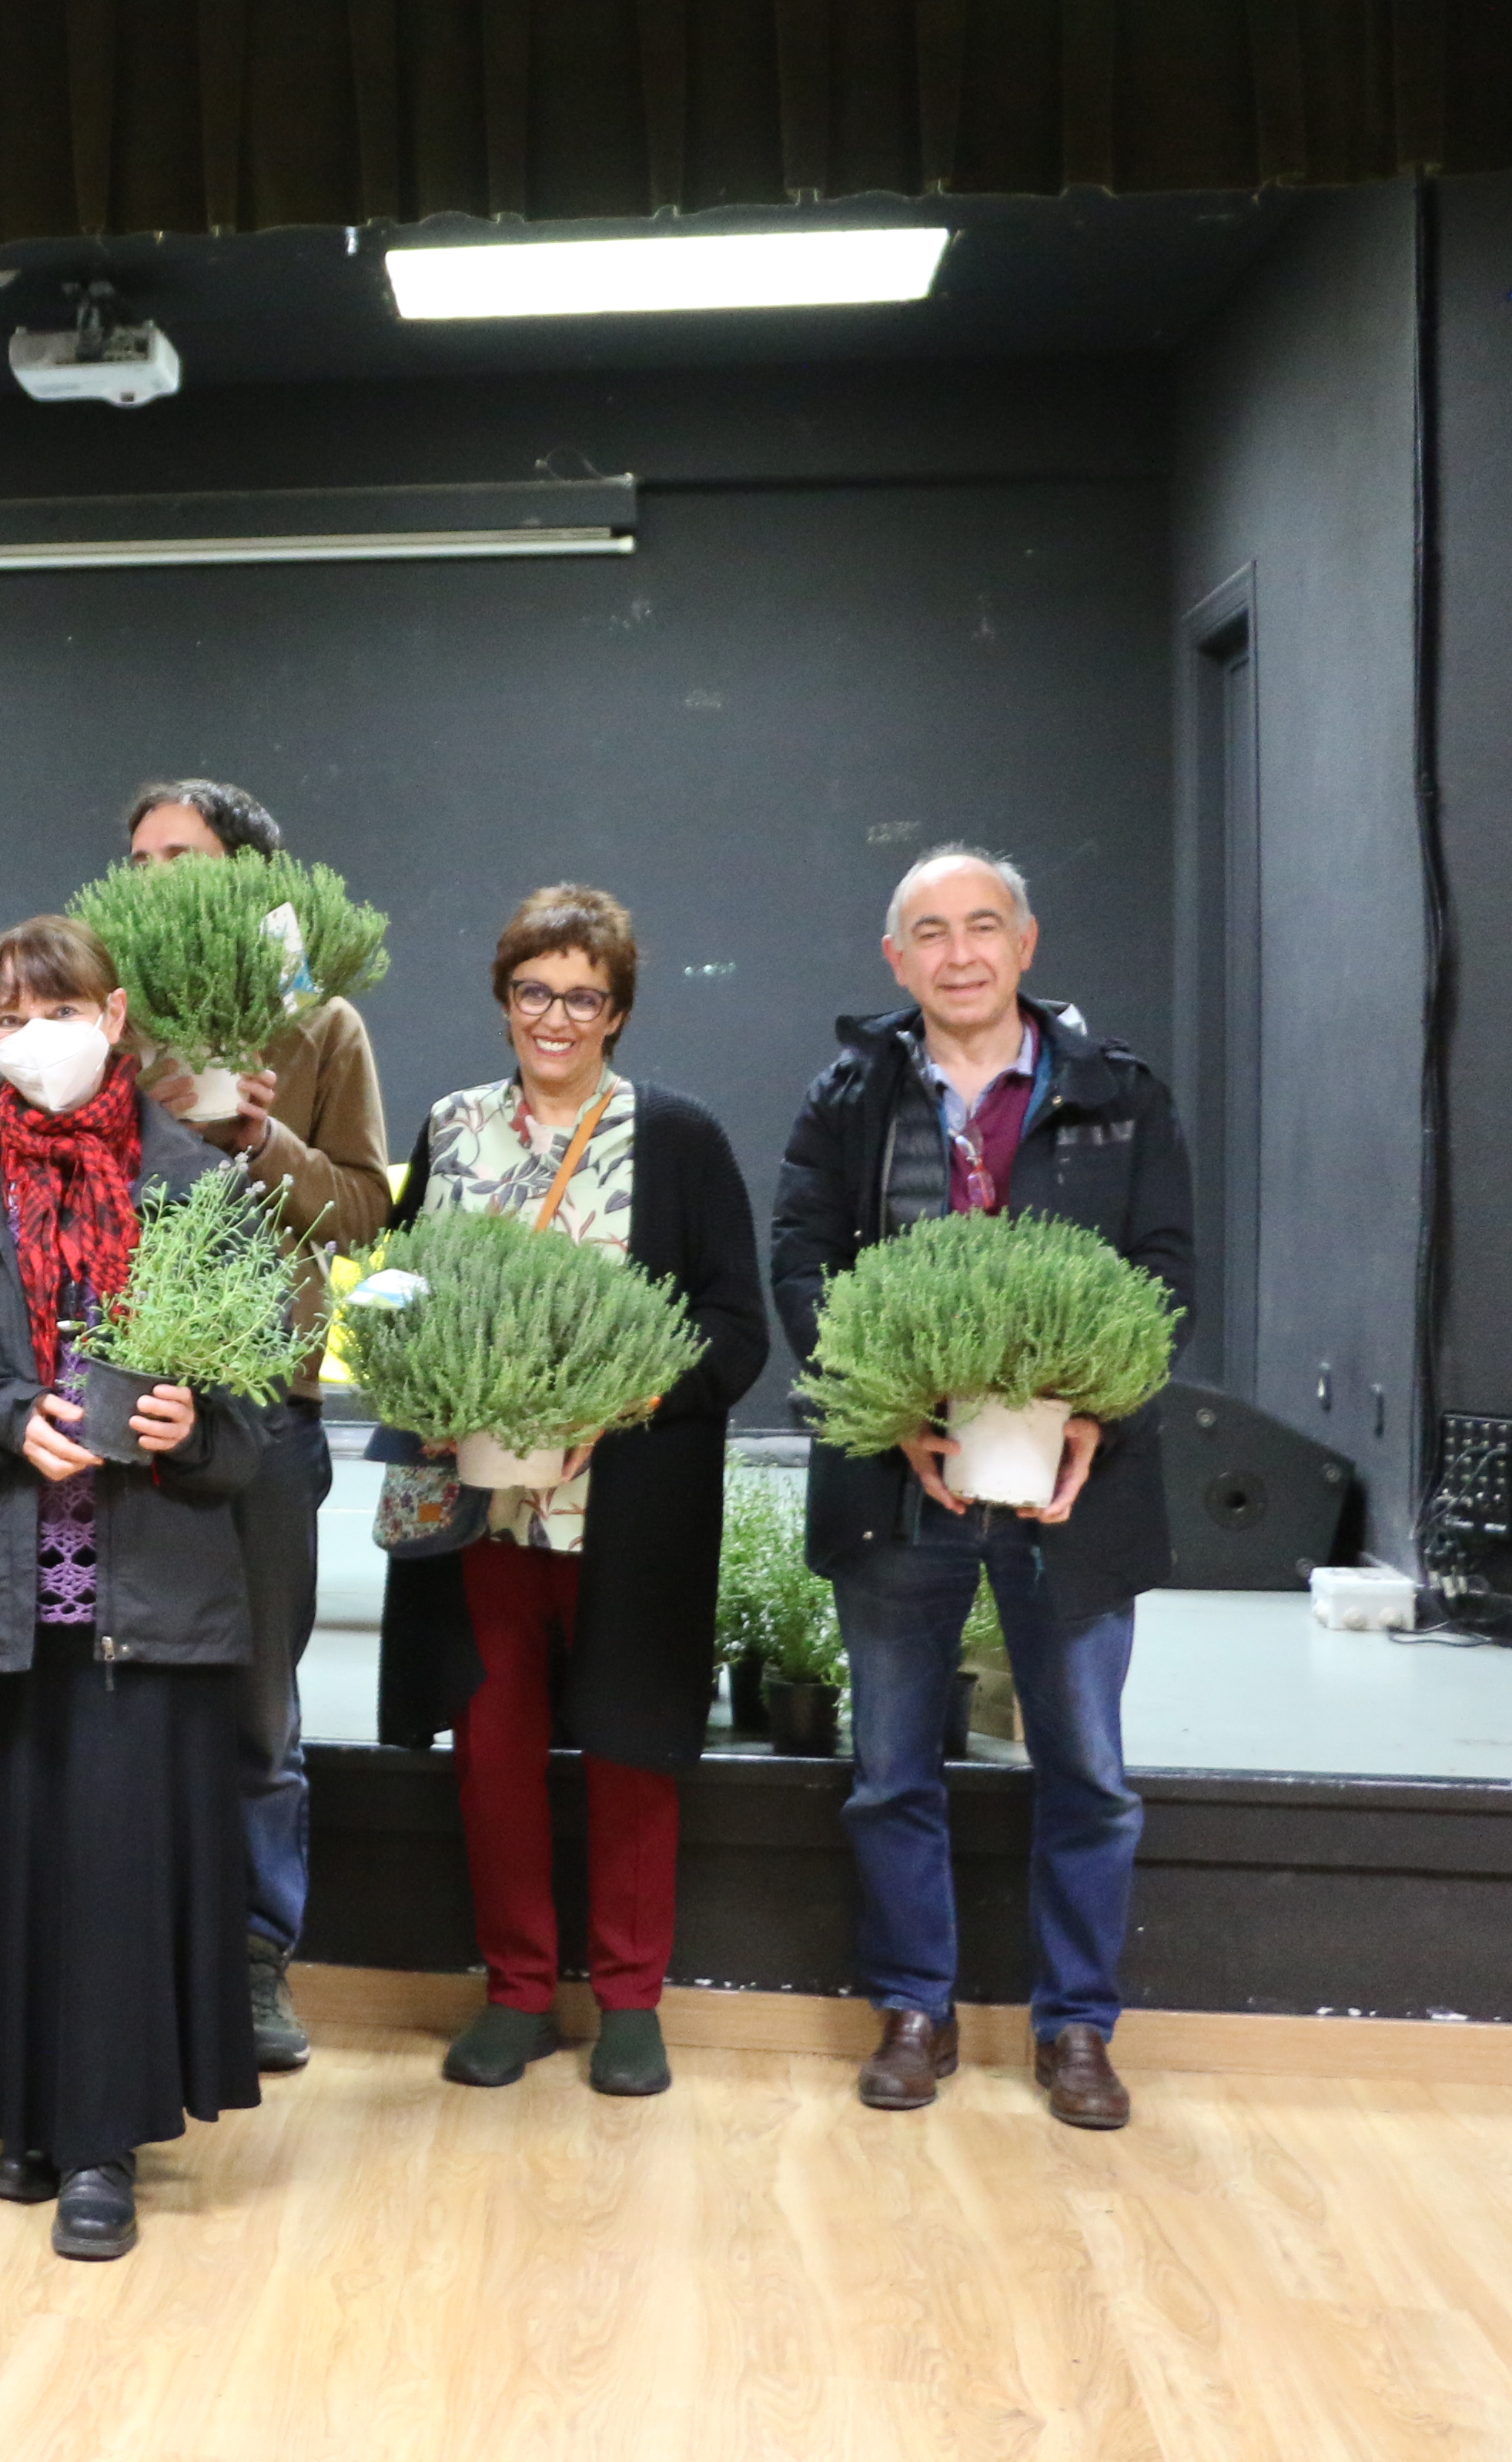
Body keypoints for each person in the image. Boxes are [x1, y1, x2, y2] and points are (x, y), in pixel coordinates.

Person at [0, 915, 270, 2265]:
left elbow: (263, 1419)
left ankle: (102, 2140)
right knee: (5, 1863)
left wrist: (189, 1429)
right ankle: (21, 2121)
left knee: (116, 1873)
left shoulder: (197, 1183)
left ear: (117, 1009)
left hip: (147, 1602)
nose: (36, 1038)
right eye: (9, 1019)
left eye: (58, 1008)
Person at [771, 847, 1194, 2131]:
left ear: (1026, 943)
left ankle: (1077, 2028)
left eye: (984, 927)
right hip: (900, 1487)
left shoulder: (1119, 1092)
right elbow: (799, 1261)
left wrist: (1097, 1421)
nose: (960, 953)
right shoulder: (850, 1093)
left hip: (1076, 1490)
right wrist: (885, 1408)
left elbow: (1164, 1273)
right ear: (895, 962)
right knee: (893, 1768)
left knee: (1090, 1774)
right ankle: (914, 2008)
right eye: (930, 933)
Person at [373, 888, 769, 2099]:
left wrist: (623, 1401)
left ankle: (632, 2000)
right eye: (536, 992)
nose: (557, 1015)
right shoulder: (448, 1130)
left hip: (628, 1513)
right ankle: (519, 1990)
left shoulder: (682, 1140)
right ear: (505, 1004)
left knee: (632, 1752)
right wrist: (431, 1386)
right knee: (493, 1751)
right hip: (481, 1512)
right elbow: (395, 1300)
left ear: (620, 1011)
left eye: (583, 996)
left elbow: (735, 1329)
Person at [117, 778, 391, 2072]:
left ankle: (258, 1958)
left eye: (186, 854)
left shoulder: (322, 1021)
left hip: (266, 1414)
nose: (158, 874)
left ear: (248, 873)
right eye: (141, 856)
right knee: (119, 1686)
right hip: (124, 1400)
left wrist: (256, 1131)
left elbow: (358, 1215)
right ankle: (134, 1946)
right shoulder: (100, 1020)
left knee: (257, 1709)